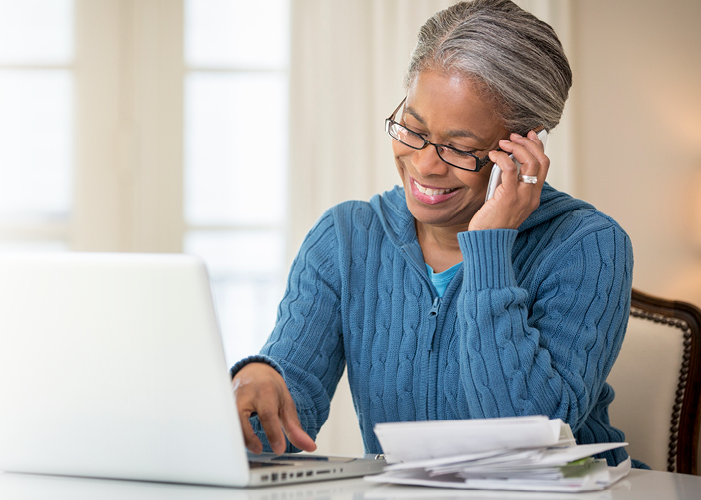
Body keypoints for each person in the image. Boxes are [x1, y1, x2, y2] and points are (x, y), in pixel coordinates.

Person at [231, 0, 640, 469]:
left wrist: (490, 247)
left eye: (459, 148)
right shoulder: (345, 239)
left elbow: (530, 440)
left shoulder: (588, 246)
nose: (424, 165)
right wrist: (259, 384)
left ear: (525, 149)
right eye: (412, 129)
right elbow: (284, 413)